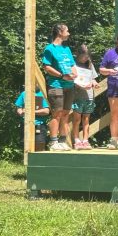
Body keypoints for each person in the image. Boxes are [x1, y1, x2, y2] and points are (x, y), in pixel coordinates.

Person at [42, 23, 77, 151]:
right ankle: (53, 142)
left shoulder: (66, 49)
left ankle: (62, 141)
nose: (68, 33)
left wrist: (75, 73)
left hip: (70, 85)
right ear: (59, 32)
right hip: (56, 85)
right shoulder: (49, 49)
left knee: (66, 114)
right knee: (56, 114)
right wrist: (62, 76)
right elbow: (46, 67)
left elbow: (72, 64)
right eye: (67, 31)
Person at [72, 44, 99, 150]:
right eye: (84, 56)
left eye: (87, 56)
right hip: (78, 95)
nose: (85, 58)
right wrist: (82, 86)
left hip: (89, 96)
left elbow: (93, 78)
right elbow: (73, 80)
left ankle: (86, 140)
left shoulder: (90, 64)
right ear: (78, 55)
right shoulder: (73, 64)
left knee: (86, 119)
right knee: (77, 119)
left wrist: (94, 83)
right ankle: (76, 139)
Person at [15, 85, 50, 151]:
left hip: (39, 125)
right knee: (25, 146)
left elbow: (46, 111)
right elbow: (18, 108)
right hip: (26, 124)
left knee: (39, 145)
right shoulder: (24, 94)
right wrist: (22, 113)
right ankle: (27, 161)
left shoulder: (42, 94)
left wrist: (31, 112)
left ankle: (40, 160)